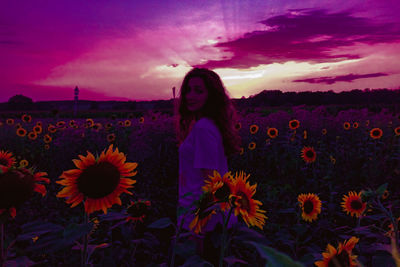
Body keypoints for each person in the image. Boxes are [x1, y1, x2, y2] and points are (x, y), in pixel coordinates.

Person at [174, 68, 242, 263]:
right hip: (202, 215)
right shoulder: (207, 125)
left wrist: (199, 229)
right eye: (188, 90)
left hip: (200, 219)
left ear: (211, 95)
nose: (190, 96)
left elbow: (210, 183)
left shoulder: (203, 128)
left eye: (198, 91)